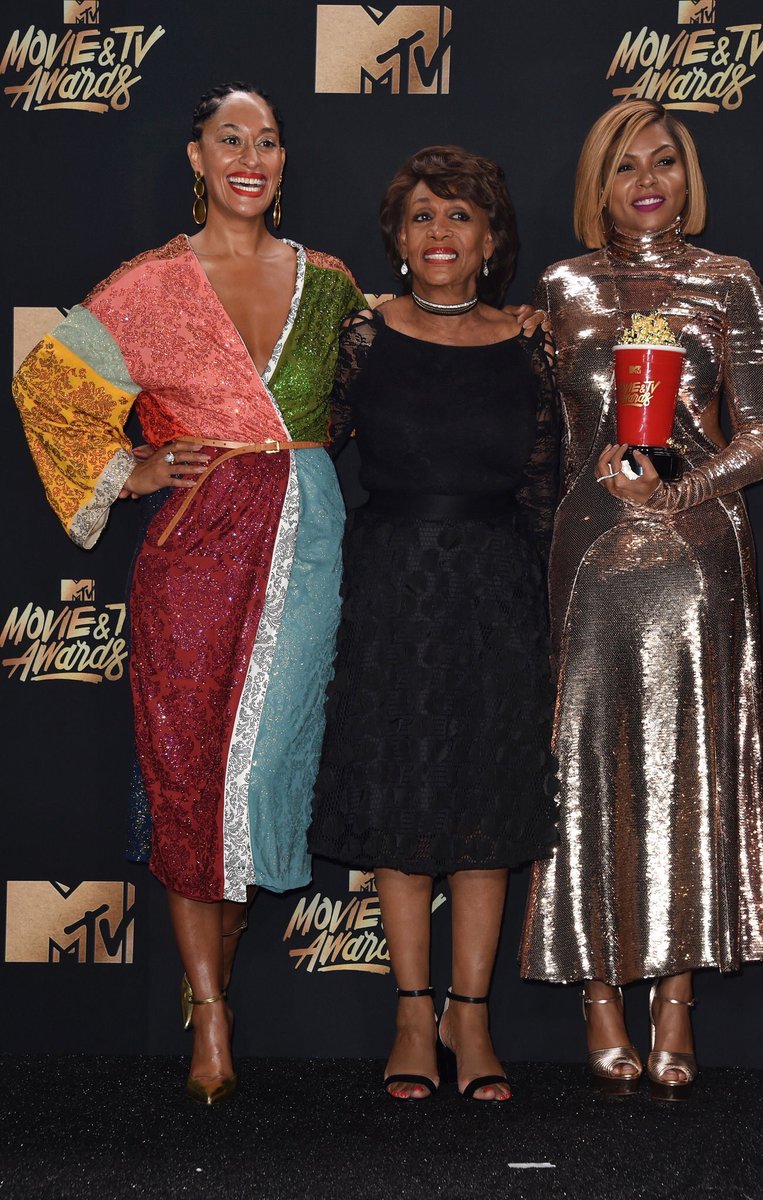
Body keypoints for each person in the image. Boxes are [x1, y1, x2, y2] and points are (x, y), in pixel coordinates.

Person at [12, 82, 364, 1104]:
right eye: (229, 139)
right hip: (192, 554)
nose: (250, 157)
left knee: (262, 777)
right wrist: (130, 470)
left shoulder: (330, 284)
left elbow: (380, 391)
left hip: (304, 546)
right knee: (185, 769)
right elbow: (47, 385)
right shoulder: (153, 284)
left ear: (284, 162)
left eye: (268, 141)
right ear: (197, 158)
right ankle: (209, 1009)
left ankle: (219, 969)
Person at [519, 100, 763, 1100]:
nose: (646, 180)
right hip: (585, 555)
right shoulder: (562, 286)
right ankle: (598, 994)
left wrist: (681, 490)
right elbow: (539, 437)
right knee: (586, 764)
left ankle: (675, 1000)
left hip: (697, 552)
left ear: (687, 174)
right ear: (598, 181)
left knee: (690, 767)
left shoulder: (729, 279)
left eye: (663, 161)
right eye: (625, 164)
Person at [309, 145, 559, 1102]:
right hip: (390, 587)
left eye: (460, 215)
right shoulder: (362, 337)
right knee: (401, 798)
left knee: (487, 806)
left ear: (491, 240)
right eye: (421, 215)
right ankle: (413, 1014)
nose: (440, 232)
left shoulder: (530, 343)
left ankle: (471, 1014)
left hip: (497, 587)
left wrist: (546, 608)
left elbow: (543, 489)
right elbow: (304, 452)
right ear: (398, 239)